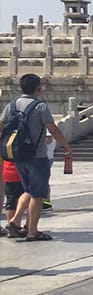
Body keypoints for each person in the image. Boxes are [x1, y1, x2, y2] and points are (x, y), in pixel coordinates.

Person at [0, 73, 73, 241]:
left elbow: (1, 126)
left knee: (27, 190)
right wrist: (66, 146)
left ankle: (15, 220)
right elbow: (52, 129)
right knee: (38, 194)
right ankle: (32, 231)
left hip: (17, 155)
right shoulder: (40, 107)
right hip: (37, 156)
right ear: (38, 89)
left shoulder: (11, 105)